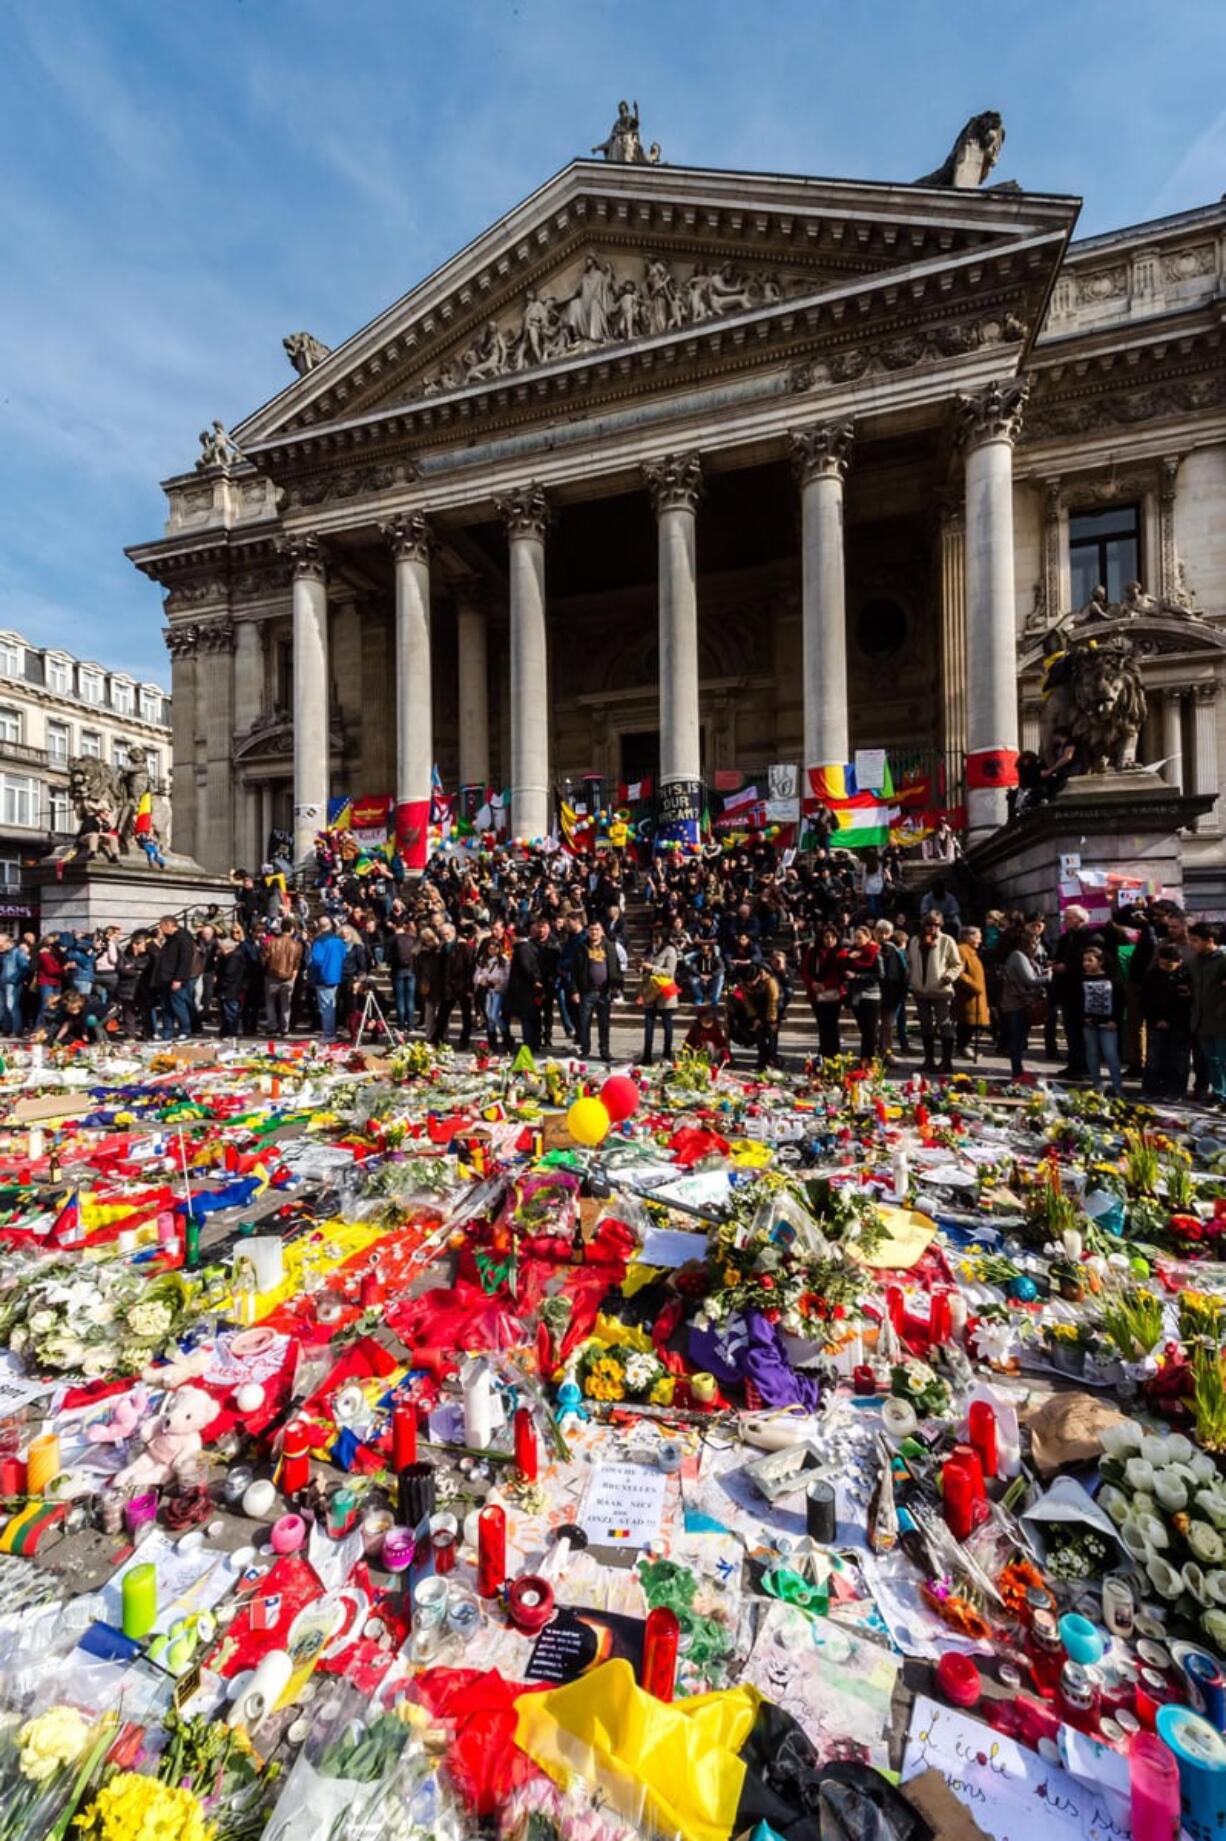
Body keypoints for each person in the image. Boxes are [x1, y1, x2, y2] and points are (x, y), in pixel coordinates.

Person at [906, 912, 962, 1073]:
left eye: (936, 925)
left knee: (944, 1024)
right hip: (920, 990)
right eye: (929, 924)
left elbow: (957, 964)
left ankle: (946, 1061)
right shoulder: (915, 940)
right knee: (925, 1025)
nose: (933, 928)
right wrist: (910, 977)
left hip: (940, 989)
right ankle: (929, 1059)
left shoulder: (946, 940)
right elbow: (910, 962)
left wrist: (948, 977)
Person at [1142, 942, 1193, 1101]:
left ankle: (1175, 1091)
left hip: (1179, 1024)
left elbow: (1185, 1003)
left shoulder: (1186, 975)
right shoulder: (1152, 975)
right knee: (1154, 1058)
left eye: (1169, 964)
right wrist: (1157, 1019)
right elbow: (1146, 1000)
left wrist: (1170, 1020)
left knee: (1177, 1059)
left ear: (1179, 961)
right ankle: (1151, 1090)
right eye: (1162, 963)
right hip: (1155, 1022)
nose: (1165, 967)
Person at [999, 922, 1046, 1078]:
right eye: (1035, 943)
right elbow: (1030, 979)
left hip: (1021, 1002)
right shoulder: (1018, 956)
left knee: (1020, 1038)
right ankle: (1017, 1071)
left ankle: (1018, 1070)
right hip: (1016, 1003)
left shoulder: (1023, 956)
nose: (1037, 947)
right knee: (1017, 1039)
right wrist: (1049, 976)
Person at [570, 919, 621, 1062]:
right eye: (591, 929)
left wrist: (616, 985)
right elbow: (574, 971)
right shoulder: (581, 948)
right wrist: (574, 990)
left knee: (604, 1023)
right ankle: (585, 1050)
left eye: (597, 929)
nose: (594, 932)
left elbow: (616, 967)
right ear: (588, 931)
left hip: (604, 992)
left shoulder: (609, 947)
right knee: (584, 1023)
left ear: (602, 931)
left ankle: (605, 1050)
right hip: (587, 991)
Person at [1080, 943, 1126, 1098]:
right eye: (1084, 960)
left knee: (1110, 1054)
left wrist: (1115, 1020)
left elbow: (1120, 1001)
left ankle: (1118, 1087)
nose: (1086, 963)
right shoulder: (1081, 979)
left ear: (1100, 962)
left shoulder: (1112, 979)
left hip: (1108, 1023)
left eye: (1090, 960)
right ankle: (1097, 1085)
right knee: (1092, 1053)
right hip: (1089, 1022)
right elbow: (1077, 1001)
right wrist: (1083, 1017)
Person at [1188, 922, 1226, 1108]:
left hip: (1221, 1020)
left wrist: (1221, 1009)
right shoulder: (1195, 961)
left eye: (1195, 940)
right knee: (1211, 1060)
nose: (1191, 944)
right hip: (1201, 1019)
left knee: (1223, 1059)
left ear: (1209, 940)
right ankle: (1218, 1093)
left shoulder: (1223, 959)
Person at [149, 916, 194, 1040]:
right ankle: (167, 1030)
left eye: (162, 926)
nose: (160, 929)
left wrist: (178, 979)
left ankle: (185, 1029)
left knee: (178, 1005)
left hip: (175, 978)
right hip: (164, 978)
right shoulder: (170, 939)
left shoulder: (183, 938)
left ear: (169, 925)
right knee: (166, 1006)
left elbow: (184, 961)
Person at [639, 926, 679, 1065]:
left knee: (667, 1025)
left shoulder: (670, 950)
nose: (655, 940)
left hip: (665, 993)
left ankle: (667, 1054)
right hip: (651, 991)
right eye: (653, 937)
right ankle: (646, 1055)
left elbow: (670, 972)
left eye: (657, 937)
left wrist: (653, 968)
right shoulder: (650, 949)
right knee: (648, 1025)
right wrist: (642, 968)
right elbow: (645, 966)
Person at [842, 923, 882, 1064]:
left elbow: (879, 975)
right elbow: (844, 967)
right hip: (857, 995)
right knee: (864, 1029)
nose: (857, 941)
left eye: (860, 937)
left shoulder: (874, 952)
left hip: (871, 995)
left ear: (868, 937)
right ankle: (865, 1059)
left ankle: (870, 1059)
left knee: (870, 1030)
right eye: (855, 938)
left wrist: (858, 976)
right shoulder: (853, 952)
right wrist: (849, 959)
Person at [505, 921, 547, 1051]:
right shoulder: (527, 947)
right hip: (527, 989)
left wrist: (535, 980)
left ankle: (529, 1044)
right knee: (530, 1017)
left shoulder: (523, 949)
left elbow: (527, 968)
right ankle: (532, 1043)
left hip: (524, 990)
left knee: (527, 1018)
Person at [874, 920, 909, 1063]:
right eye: (879, 932)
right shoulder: (872, 947)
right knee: (875, 1026)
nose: (882, 935)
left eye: (885, 932)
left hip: (890, 994)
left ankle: (887, 1052)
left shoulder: (894, 950)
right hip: (875, 993)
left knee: (888, 1026)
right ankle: (876, 1052)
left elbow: (900, 974)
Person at [307, 918, 347, 1043]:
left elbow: (316, 960)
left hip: (323, 976)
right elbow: (344, 955)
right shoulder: (338, 940)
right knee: (332, 1005)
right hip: (336, 975)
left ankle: (329, 1034)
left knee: (326, 1007)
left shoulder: (319, 941)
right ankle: (331, 1031)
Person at [954, 925, 990, 1057]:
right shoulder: (961, 950)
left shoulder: (971, 951)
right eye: (977, 937)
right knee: (967, 1023)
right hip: (968, 995)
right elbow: (959, 972)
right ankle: (963, 1047)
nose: (980, 941)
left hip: (975, 995)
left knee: (973, 1023)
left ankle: (964, 1047)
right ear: (968, 937)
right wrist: (974, 986)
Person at [262, 922, 304, 1037]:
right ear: (291, 930)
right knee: (286, 1004)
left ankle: (272, 1027)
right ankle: (285, 1028)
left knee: (270, 1002)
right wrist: (293, 978)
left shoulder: (272, 943)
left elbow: (264, 959)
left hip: (272, 975)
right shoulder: (297, 945)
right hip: (289, 977)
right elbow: (297, 964)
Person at [473, 933, 511, 1050]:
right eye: (490, 948)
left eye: (495, 948)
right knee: (489, 1016)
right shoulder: (482, 959)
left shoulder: (503, 960)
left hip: (499, 990)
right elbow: (476, 975)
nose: (492, 951)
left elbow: (508, 976)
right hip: (487, 989)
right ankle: (492, 1040)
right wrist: (481, 980)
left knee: (494, 1015)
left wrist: (499, 981)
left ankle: (507, 1035)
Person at [388, 918, 418, 1031]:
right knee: (410, 999)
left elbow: (387, 956)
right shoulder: (413, 939)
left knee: (399, 998)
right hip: (411, 971)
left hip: (397, 971)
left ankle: (400, 1024)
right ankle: (410, 1025)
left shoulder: (392, 939)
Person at [0, 933, 29, 1036]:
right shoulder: (4, 954)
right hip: (3, 983)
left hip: (12, 983)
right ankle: (6, 1029)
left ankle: (16, 1030)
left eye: (1, 944)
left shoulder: (18, 952)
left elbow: (24, 967)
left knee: (12, 1006)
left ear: (7, 943)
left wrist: (14, 979)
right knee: (3, 1007)